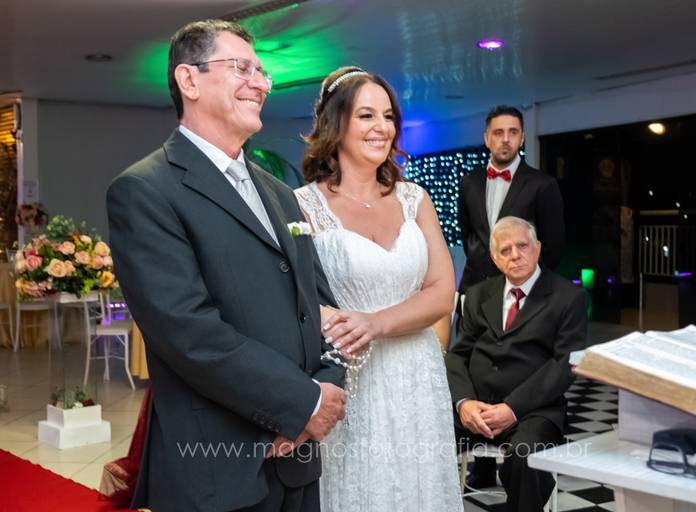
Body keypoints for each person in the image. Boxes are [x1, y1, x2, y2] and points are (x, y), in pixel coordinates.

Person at [106, 20, 346, 512]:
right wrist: (300, 403)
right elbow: (188, 332)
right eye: (241, 68)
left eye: (261, 73)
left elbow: (321, 307)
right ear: (188, 80)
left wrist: (326, 390)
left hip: (298, 456)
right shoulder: (145, 191)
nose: (259, 83)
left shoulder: (281, 194)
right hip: (216, 464)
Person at [294, 66, 463, 512]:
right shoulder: (303, 206)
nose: (381, 127)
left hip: (417, 371)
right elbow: (297, 296)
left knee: (421, 486)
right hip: (351, 374)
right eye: (366, 115)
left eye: (388, 117)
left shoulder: (415, 199)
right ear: (336, 123)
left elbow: (442, 290)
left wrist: (376, 323)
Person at [446, 216, 587, 512]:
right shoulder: (478, 295)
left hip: (532, 411)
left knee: (524, 459)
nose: (515, 255)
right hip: (476, 409)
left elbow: (564, 364)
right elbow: (459, 354)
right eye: (505, 250)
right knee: (423, 442)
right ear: (495, 259)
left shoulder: (568, 297)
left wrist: (511, 408)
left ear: (537, 248)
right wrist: (464, 403)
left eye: (522, 246)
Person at [457, 105, 565, 293]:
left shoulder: (543, 184)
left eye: (513, 132)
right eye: (498, 133)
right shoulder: (469, 182)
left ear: (522, 138)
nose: (506, 139)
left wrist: (524, 279)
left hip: (521, 292)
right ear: (487, 139)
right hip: (473, 288)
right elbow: (468, 236)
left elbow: (553, 248)